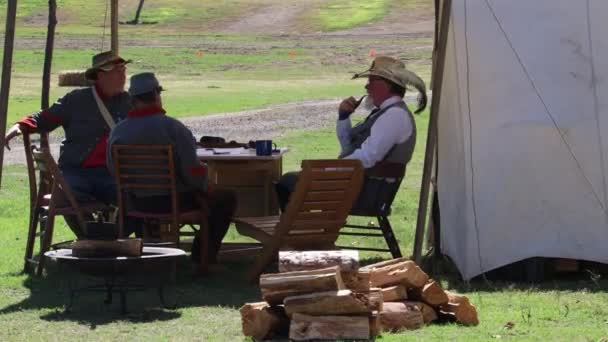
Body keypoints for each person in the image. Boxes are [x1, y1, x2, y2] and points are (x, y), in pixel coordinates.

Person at [107, 72, 237, 264]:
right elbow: (192, 171)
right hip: (175, 202)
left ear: (132, 100)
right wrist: (205, 184)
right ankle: (202, 259)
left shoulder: (118, 131)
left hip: (135, 202)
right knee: (226, 198)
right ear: (157, 95)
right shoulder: (174, 128)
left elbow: (113, 170)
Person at [4, 51, 132, 237]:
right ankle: (88, 238)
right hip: (77, 172)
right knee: (67, 195)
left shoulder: (128, 101)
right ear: (101, 75)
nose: (123, 76)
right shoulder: (75, 100)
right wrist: (20, 125)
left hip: (113, 173)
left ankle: (113, 242)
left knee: (133, 196)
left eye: (124, 70)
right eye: (118, 71)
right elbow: (44, 118)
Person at [276, 56, 427, 212]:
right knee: (291, 181)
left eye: (371, 81)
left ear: (385, 85)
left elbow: (368, 157)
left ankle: (300, 233)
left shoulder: (394, 115)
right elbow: (349, 147)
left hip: (365, 192)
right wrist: (344, 117)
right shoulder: (385, 113)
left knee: (290, 182)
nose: (367, 87)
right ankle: (304, 232)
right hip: (358, 186)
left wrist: (328, 171)